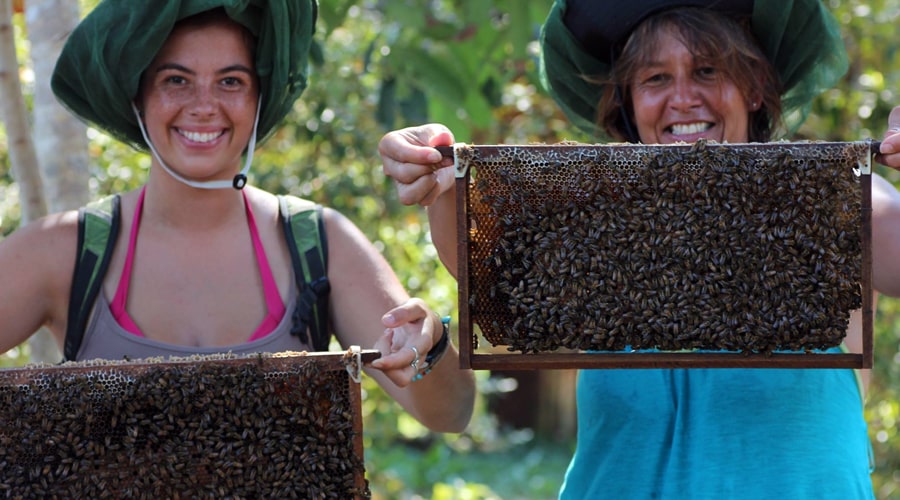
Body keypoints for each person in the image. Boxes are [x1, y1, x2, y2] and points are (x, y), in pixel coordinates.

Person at [379, 0, 900, 497]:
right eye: (655, 78)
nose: (682, 98)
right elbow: (490, 268)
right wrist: (441, 177)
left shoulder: (832, 198)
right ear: (627, 102)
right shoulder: (591, 221)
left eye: (708, 71)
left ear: (756, 89)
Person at [0, 0, 474, 434]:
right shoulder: (63, 251)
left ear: (258, 101)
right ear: (138, 99)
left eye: (231, 81)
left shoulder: (319, 242)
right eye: (175, 80)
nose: (204, 106)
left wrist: (427, 346)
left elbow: (450, 414)